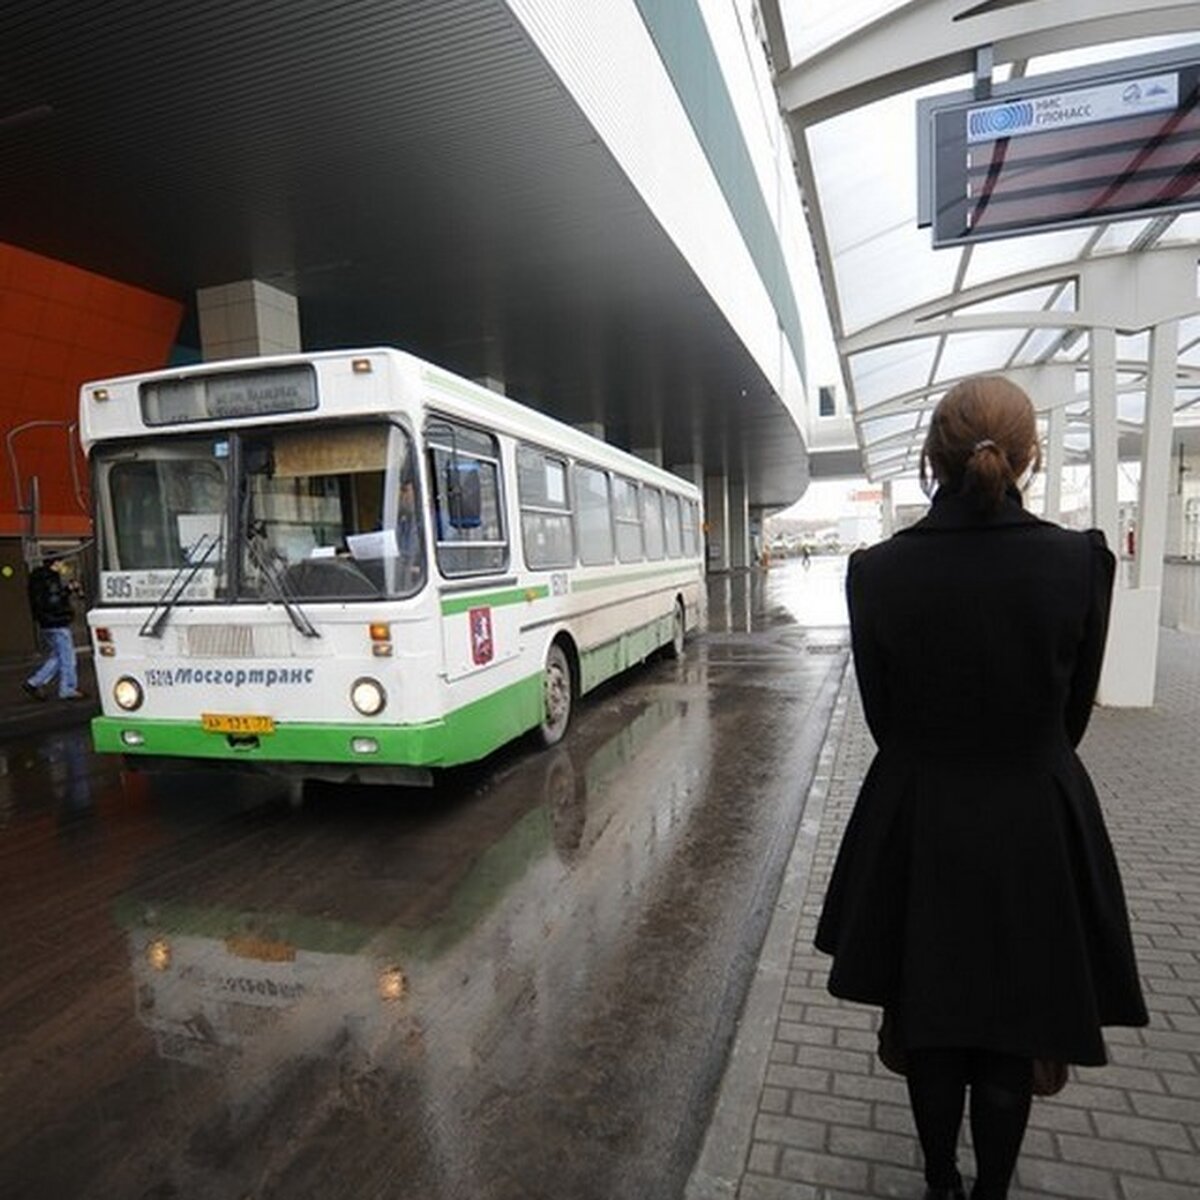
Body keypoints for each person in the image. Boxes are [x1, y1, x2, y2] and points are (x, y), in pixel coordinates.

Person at [814, 375, 1147, 1200]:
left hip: (919, 814)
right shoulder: (1082, 562)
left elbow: (884, 717)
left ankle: (939, 1184)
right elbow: (1072, 716)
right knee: (1013, 1024)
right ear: (1030, 456)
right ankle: (992, 1193)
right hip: (1036, 815)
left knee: (930, 1014)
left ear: (932, 457)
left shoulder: (878, 571)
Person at [23, 555, 85, 701]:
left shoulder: (37, 578)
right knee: (67, 657)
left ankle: (34, 682)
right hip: (57, 622)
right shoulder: (50, 579)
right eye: (61, 563)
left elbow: (47, 599)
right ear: (55, 563)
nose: (62, 566)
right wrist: (68, 591)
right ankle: (67, 688)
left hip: (46, 623)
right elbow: (54, 601)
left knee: (58, 655)